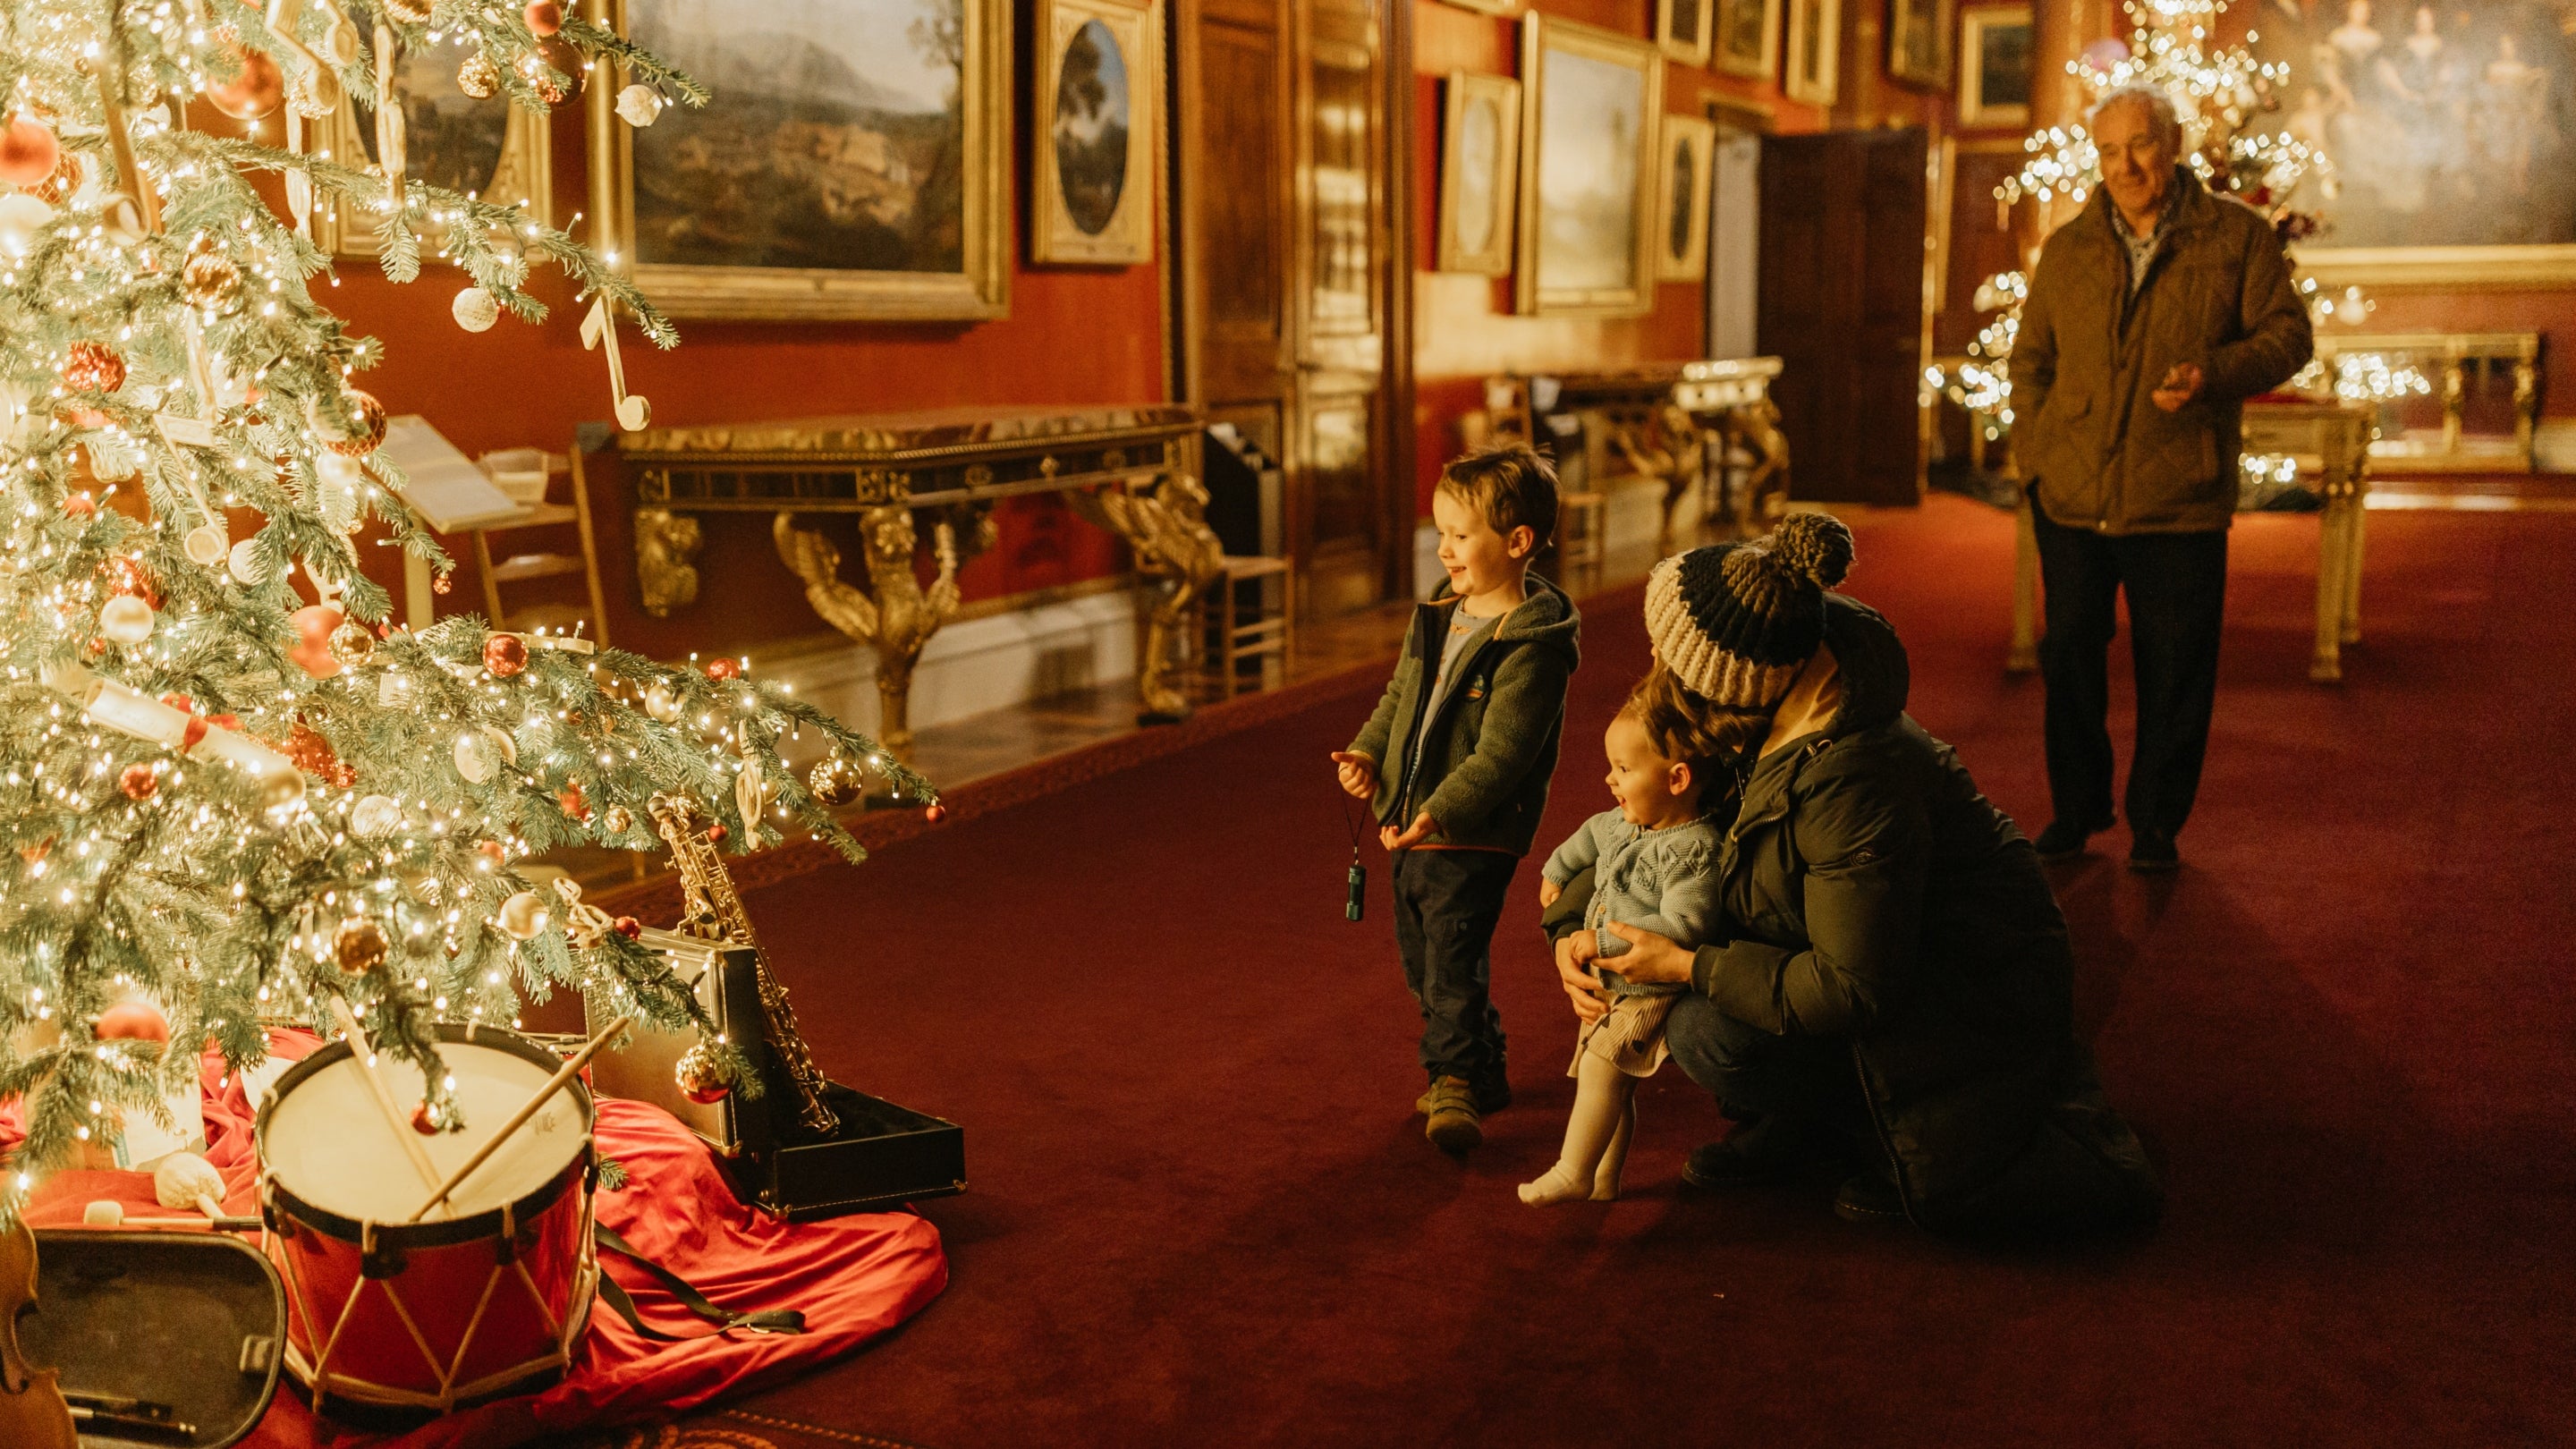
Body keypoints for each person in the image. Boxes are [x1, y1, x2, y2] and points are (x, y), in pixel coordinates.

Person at [1542, 515, 2164, 1235]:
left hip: (1961, 1006)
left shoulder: (1852, 776)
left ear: (1724, 680)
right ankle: (1811, 1121)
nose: (1654, 665)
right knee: (1710, 1008)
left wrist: (1689, 964)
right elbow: (1638, 832)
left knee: (1707, 1027)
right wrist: (1568, 929)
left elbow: (1855, 986)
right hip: (1871, 968)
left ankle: (1871, 1134)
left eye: (1667, 653)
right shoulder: (1763, 696)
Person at [2013, 83, 2314, 870]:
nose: (2124, 166)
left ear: (2173, 144)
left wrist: (2214, 374)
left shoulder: (2235, 238)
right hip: (2072, 497)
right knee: (2071, 659)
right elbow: (2030, 363)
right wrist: (2036, 459)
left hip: (2179, 494)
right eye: (2109, 150)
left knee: (2175, 669)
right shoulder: (2069, 247)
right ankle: (2076, 812)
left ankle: (2156, 825)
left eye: (2139, 145)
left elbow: (2289, 336)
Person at [1334, 443, 1581, 1153]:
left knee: (1449, 957)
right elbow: (1399, 700)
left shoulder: (1531, 646)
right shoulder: (1439, 617)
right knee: (1424, 962)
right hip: (1408, 823)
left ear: (1517, 541)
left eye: (1458, 536)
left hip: (1470, 831)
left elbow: (1503, 756)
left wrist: (1437, 812)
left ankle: (1455, 1082)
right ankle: (1485, 1066)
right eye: (1439, 533)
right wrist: (1367, 756)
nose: (1443, 549)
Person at [1519, 677, 1746, 1206]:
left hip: (1648, 987)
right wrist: (1556, 870)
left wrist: (1600, 940)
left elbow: (1685, 927)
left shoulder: (1694, 850)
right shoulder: (1625, 823)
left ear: (1677, 778)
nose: (1609, 779)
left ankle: (1573, 1170)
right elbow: (1587, 836)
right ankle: (1604, 1180)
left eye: (1624, 769)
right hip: (1611, 984)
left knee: (1603, 1068)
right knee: (1609, 1083)